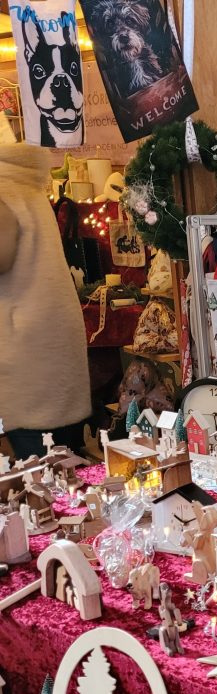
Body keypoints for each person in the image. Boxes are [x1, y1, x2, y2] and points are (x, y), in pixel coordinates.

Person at [0, 144, 91, 459]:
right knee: (61, 459)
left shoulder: (2, 187)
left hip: (26, 357)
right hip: (52, 346)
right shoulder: (24, 181)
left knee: (39, 468)